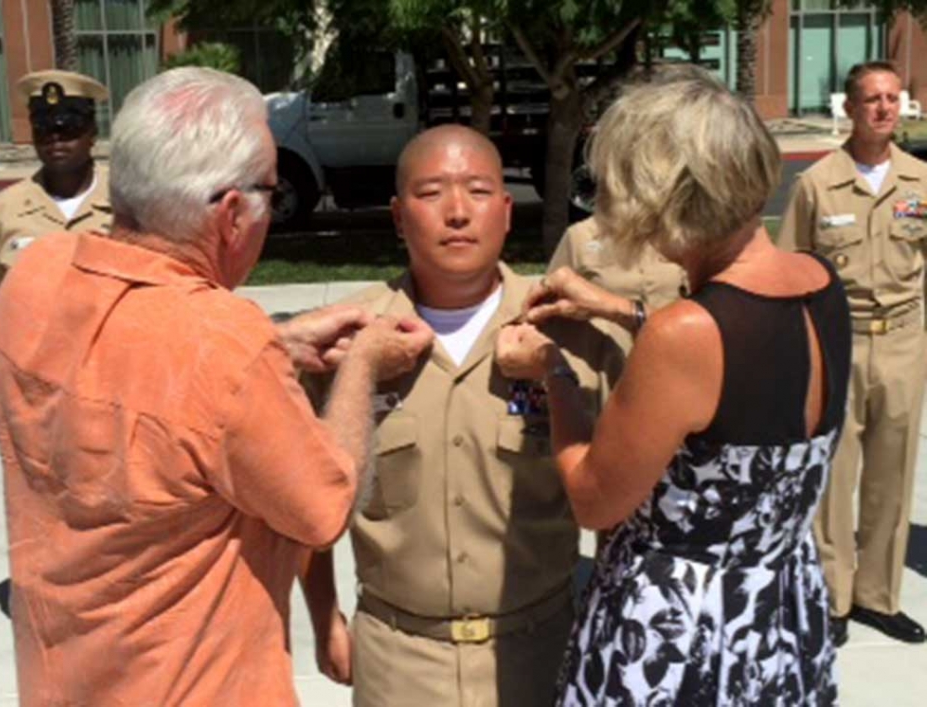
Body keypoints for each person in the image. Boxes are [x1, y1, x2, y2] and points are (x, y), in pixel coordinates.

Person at [0, 67, 433, 706]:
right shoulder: (224, 345)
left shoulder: (36, 277)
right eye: (271, 195)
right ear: (229, 215)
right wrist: (361, 365)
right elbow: (323, 507)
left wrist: (279, 343)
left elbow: (126, 377)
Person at [496, 68, 849, 705]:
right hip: (780, 614)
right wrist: (616, 309)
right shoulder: (820, 285)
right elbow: (742, 376)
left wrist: (554, 376)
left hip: (683, 630)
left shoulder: (685, 333)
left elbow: (594, 500)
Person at [300, 125, 624, 707]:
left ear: (505, 210)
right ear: (399, 217)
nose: (456, 212)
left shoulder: (571, 337)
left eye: (477, 191)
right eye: (431, 194)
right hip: (399, 661)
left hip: (541, 651)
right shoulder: (343, 344)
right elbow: (306, 500)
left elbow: (622, 496)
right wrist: (324, 616)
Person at [778, 60, 927, 647]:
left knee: (893, 475)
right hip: (841, 342)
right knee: (835, 480)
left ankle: (877, 597)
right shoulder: (818, 183)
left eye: (893, 98)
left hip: (904, 342)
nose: (883, 108)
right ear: (849, 107)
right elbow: (792, 268)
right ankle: (832, 597)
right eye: (872, 99)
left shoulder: (919, 181)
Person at [0, 70, 112, 350]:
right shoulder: (3, 210)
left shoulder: (128, 202)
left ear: (92, 132)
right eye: (43, 129)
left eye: (67, 128)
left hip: (115, 378)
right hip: (33, 385)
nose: (55, 139)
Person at [549, 215, 687, 352]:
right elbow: (549, 314)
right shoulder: (581, 235)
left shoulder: (685, 233)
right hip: (611, 363)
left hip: (680, 355)